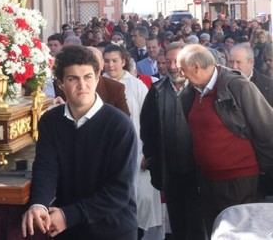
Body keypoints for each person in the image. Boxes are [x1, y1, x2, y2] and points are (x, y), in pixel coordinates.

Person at [21, 46, 137, 240]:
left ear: (97, 78)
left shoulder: (119, 125)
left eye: (88, 77)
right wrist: (39, 204)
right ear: (60, 83)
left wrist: (69, 215)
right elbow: (46, 168)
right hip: (66, 228)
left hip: (112, 228)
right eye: (72, 78)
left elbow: (119, 190)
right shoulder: (51, 121)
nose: (82, 85)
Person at [177, 44, 273, 233]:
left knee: (241, 233)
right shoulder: (191, 92)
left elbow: (266, 128)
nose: (179, 72)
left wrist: (266, 171)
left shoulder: (237, 86)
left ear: (196, 67)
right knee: (216, 231)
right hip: (207, 180)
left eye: (182, 68)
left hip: (239, 181)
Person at [140, 42, 206, 240]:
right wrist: (153, 159)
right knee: (177, 222)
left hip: (198, 171)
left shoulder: (200, 89)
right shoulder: (157, 90)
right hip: (170, 171)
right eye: (167, 61)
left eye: (176, 61)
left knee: (198, 223)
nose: (172, 66)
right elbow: (148, 128)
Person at [102, 44, 163, 239]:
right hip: (107, 152)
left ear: (123, 62)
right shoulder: (97, 84)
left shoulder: (136, 85)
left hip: (137, 151)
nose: (110, 65)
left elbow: (149, 120)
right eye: (107, 61)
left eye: (114, 61)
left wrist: (149, 152)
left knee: (141, 200)